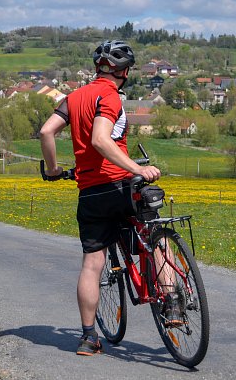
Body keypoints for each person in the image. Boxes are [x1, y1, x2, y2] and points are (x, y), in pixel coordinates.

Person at [40, 40, 161, 356]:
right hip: (119, 184)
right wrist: (137, 168)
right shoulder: (110, 97)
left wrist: (53, 170)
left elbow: (46, 132)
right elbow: (100, 139)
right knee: (155, 238)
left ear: (98, 68)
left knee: (93, 263)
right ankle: (173, 308)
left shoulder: (74, 98)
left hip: (90, 191)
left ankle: (89, 337)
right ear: (125, 72)